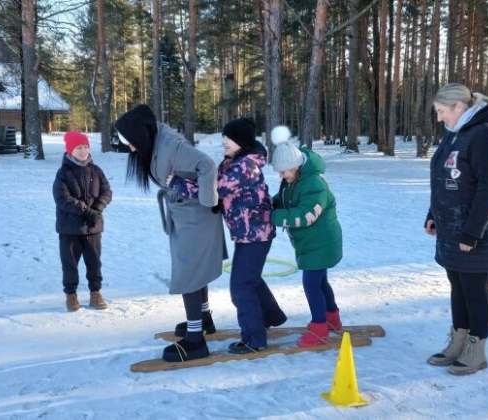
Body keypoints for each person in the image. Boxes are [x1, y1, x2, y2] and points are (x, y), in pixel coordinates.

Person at [114, 104, 225, 363]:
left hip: (197, 218)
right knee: (193, 270)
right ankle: (203, 319)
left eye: (129, 142)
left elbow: (207, 165)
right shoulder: (157, 143)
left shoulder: (171, 146)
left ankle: (196, 340)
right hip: (184, 216)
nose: (129, 148)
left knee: (188, 273)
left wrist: (210, 202)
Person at [425, 83, 488, 375]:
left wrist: (472, 233)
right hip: (452, 227)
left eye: (441, 112)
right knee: (457, 287)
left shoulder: (485, 135)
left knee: (475, 290)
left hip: (481, 232)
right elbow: (443, 179)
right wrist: (433, 214)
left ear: (459, 108)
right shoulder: (455, 134)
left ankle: (476, 350)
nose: (439, 118)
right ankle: (458, 341)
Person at [217, 117, 288, 354]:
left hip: (255, 234)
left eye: (231, 138)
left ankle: (254, 338)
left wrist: (177, 182)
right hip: (248, 233)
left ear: (243, 142)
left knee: (241, 285)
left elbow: (216, 190)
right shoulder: (234, 161)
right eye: (224, 137)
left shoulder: (244, 166)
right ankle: (271, 316)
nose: (225, 142)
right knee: (251, 279)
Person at [270, 125, 343, 347]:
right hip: (311, 243)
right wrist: (268, 205)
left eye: (284, 171)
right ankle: (332, 319)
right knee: (320, 282)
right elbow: (285, 200)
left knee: (312, 284)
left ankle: (320, 327)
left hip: (321, 243)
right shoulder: (293, 180)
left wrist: (271, 217)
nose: (281, 176)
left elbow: (306, 215)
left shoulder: (314, 184)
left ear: (295, 166)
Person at [53, 131, 113, 312]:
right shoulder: (63, 173)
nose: (83, 150)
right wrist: (86, 211)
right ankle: (71, 296)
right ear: (70, 150)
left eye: (85, 146)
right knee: (70, 263)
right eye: (79, 147)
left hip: (93, 228)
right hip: (70, 228)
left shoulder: (96, 170)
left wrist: (97, 210)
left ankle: (96, 293)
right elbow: (62, 198)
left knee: (94, 263)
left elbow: (107, 192)